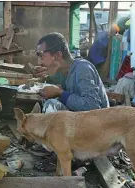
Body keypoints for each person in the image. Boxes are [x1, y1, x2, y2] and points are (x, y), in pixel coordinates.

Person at [30, 32, 110, 172]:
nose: (40, 61)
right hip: (84, 126)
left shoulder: (82, 68)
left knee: (52, 107)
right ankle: (64, 152)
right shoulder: (67, 71)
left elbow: (93, 107)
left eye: (42, 56)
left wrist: (60, 93)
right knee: (51, 104)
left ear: (58, 55)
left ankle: (64, 157)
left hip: (98, 131)